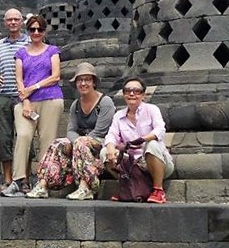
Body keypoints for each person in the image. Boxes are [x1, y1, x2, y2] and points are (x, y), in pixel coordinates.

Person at [26, 62, 115, 200]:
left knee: (81, 142)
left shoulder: (105, 102)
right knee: (58, 143)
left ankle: (85, 187)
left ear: (94, 82)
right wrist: (75, 144)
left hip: (102, 144)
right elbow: (71, 130)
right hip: (80, 144)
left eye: (87, 80)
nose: (83, 83)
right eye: (80, 80)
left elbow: (100, 131)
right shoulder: (76, 105)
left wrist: (79, 143)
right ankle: (43, 185)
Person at [1, 15, 64, 197]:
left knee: (47, 140)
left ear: (44, 32)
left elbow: (55, 76)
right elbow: (19, 80)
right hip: (27, 102)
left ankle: (43, 182)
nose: (36, 32)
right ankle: (18, 180)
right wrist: (26, 100)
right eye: (32, 29)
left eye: (40, 29)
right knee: (23, 135)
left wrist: (33, 88)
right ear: (28, 31)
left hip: (50, 99)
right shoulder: (21, 53)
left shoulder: (52, 50)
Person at [103, 76, 175, 204]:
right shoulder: (119, 115)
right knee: (105, 152)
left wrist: (142, 140)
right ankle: (129, 186)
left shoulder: (152, 109)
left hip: (156, 162)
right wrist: (110, 147)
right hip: (132, 165)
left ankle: (158, 190)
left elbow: (160, 130)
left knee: (152, 145)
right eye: (127, 90)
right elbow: (111, 135)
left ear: (143, 95)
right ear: (123, 94)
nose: (132, 94)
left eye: (136, 91)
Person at [0, 8, 31, 194]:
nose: (13, 22)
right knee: (4, 138)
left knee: (25, 137)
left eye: (16, 19)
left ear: (21, 22)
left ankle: (25, 180)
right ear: (5, 23)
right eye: (10, 20)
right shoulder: (0, 44)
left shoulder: (30, 42)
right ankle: (7, 180)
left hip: (24, 96)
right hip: (4, 96)